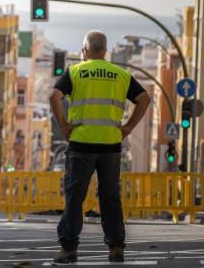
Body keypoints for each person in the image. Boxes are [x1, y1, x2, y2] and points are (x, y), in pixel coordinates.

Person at [49, 30, 150, 264]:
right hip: (110, 145)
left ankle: (69, 249)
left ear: (85, 50)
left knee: (75, 196)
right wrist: (128, 128)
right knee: (110, 196)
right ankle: (115, 247)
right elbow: (144, 99)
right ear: (105, 51)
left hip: (81, 143)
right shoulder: (121, 74)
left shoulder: (75, 71)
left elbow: (55, 96)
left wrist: (64, 126)